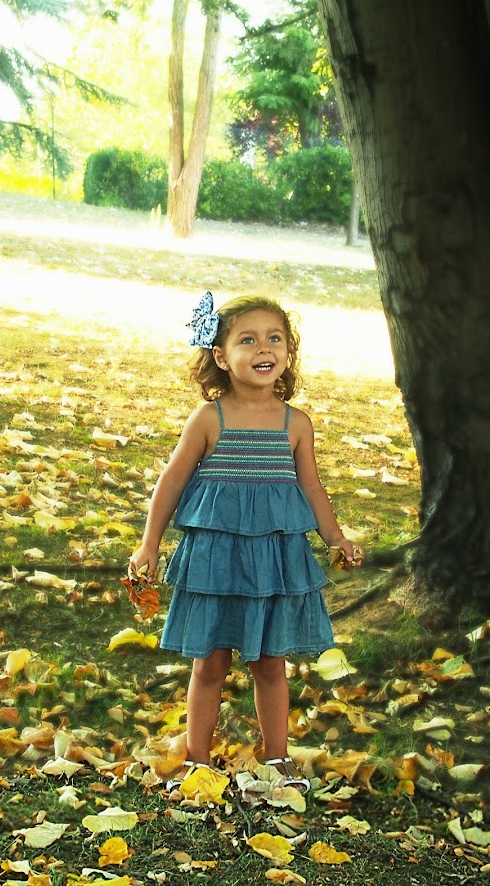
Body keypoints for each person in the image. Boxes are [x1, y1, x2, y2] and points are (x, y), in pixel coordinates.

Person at [129, 292, 363, 794]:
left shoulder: (295, 424)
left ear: (288, 351)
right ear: (221, 355)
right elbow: (171, 481)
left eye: (275, 338)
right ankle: (197, 764)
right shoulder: (209, 419)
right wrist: (149, 544)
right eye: (248, 339)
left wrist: (336, 537)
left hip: (273, 563)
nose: (264, 348)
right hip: (214, 562)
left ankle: (277, 763)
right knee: (209, 662)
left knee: (269, 663)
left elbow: (312, 487)